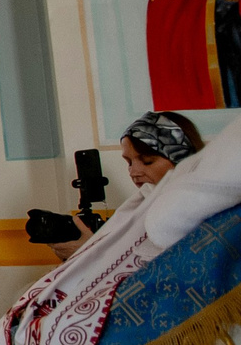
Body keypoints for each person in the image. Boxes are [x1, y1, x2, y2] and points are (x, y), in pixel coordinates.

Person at [50, 111, 205, 259]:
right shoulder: (136, 210)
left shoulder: (199, 212)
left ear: (181, 160)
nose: (133, 172)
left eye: (147, 161)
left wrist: (88, 254)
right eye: (129, 162)